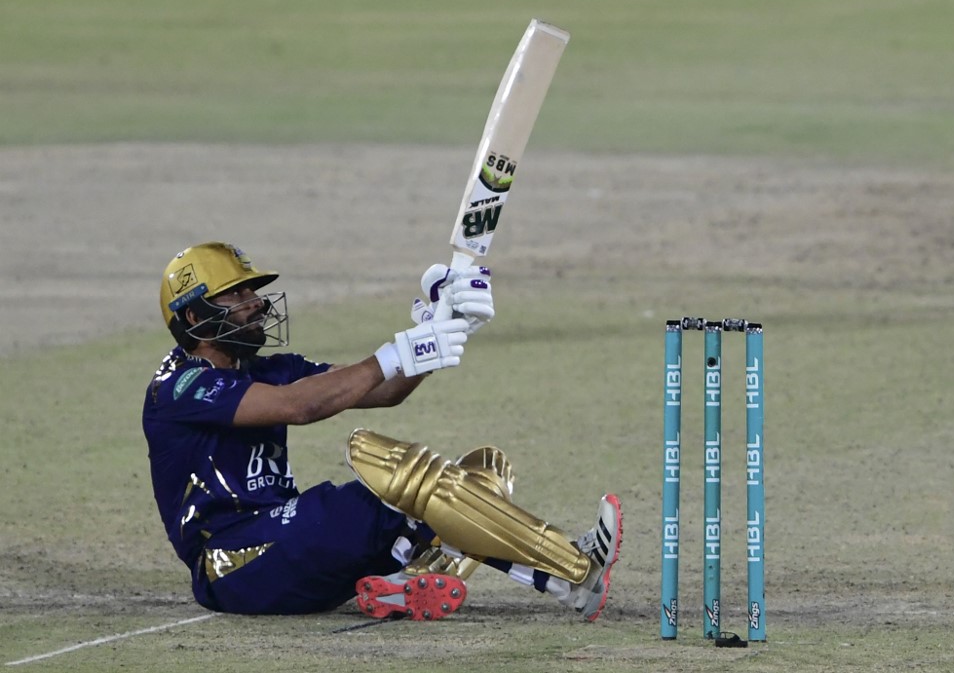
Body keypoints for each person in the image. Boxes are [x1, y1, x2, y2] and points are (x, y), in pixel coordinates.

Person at [142, 241, 622, 622]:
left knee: (480, 472)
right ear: (194, 316)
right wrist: (396, 353)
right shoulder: (180, 386)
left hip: (288, 548)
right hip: (231, 564)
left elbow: (382, 391)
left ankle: (404, 584)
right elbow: (300, 405)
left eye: (252, 291)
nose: (255, 303)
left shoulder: (267, 369)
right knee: (393, 479)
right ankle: (574, 573)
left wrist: (442, 329)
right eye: (236, 295)